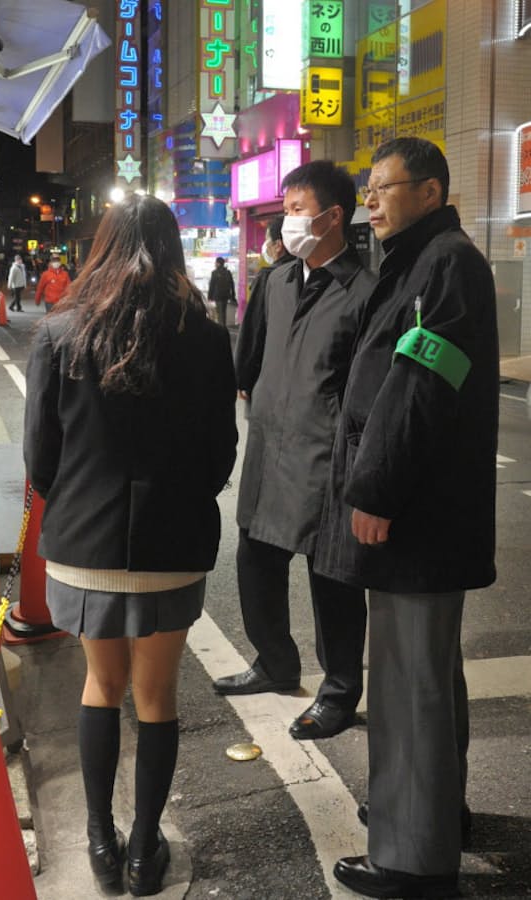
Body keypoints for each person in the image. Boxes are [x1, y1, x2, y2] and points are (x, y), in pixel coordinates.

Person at [23, 194, 237, 896]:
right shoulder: (204, 339)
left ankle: (98, 839)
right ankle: (146, 851)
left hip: (82, 547)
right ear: (172, 250)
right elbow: (218, 457)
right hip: (171, 547)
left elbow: (39, 461)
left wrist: (84, 501)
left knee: (100, 685)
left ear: (102, 247)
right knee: (156, 696)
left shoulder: (58, 333)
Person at [314, 138, 499, 898]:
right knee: (426, 678)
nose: (371, 202)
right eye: (369, 190)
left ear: (430, 191)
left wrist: (377, 489)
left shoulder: (445, 262)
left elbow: (423, 380)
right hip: (424, 513)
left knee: (408, 685)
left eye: (384, 188)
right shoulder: (420, 262)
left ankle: (413, 859)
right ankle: (428, 813)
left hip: (416, 514)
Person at [213, 160, 376, 744]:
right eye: (285, 209)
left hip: (325, 460)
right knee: (255, 563)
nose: (287, 221)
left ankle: (338, 692)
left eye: (297, 209)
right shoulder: (277, 282)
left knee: (332, 581)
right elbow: (246, 361)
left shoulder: (363, 293)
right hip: (268, 449)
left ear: (333, 216)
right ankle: (274, 663)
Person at [234, 215, 293, 412]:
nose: (265, 246)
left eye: (267, 240)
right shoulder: (310, 273)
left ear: (278, 245)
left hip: (265, 376)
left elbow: (254, 327)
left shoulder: (268, 276)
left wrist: (243, 375)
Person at [207, 256, 235, 329]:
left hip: (218, 296)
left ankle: (221, 328)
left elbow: (212, 285)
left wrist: (209, 296)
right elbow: (232, 284)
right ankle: (223, 327)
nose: (215, 264)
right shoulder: (228, 272)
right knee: (223, 312)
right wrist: (233, 296)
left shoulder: (214, 273)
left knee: (219, 313)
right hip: (226, 296)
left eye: (216, 262)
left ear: (218, 263)